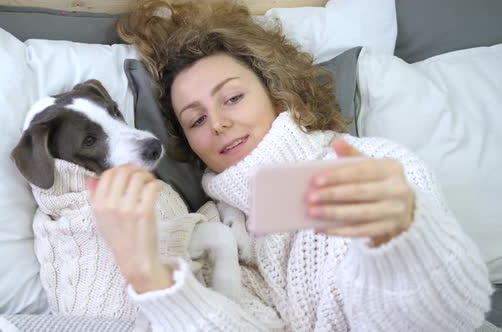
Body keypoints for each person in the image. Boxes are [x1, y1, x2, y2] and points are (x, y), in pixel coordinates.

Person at [86, 1, 492, 330]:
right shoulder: (213, 231)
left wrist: (403, 241)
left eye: (231, 98)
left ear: (277, 93)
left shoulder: (377, 167)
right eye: (196, 120)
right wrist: (150, 278)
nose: (219, 124)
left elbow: (456, 318)